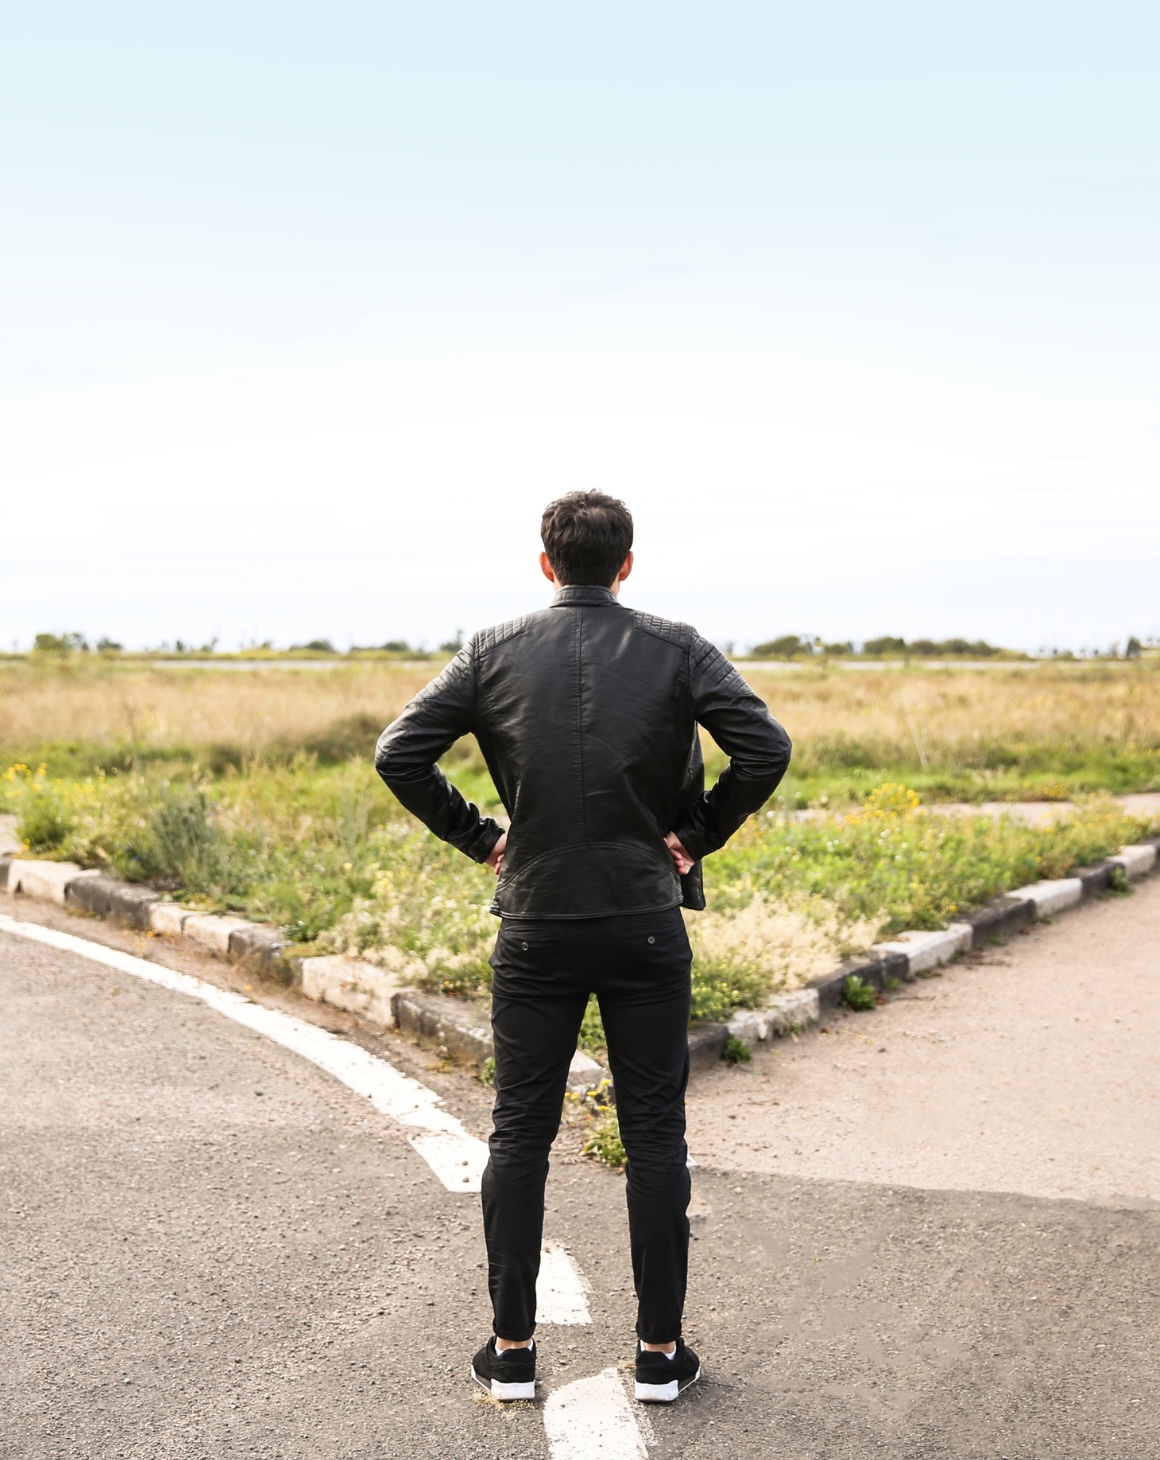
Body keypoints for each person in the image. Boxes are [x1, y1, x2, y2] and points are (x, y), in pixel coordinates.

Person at [375, 490, 791, 1403]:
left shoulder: (491, 649)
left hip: (536, 923)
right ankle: (658, 1356)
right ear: (628, 565)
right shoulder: (678, 646)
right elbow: (765, 747)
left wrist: (484, 838)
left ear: (545, 563)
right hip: (645, 922)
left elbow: (399, 752)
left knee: (520, 1132)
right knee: (655, 1137)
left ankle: (513, 1352)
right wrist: (698, 835)